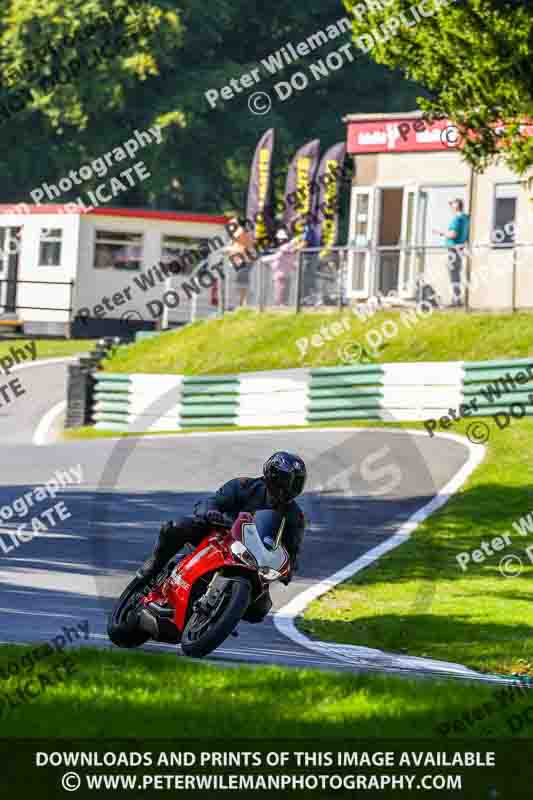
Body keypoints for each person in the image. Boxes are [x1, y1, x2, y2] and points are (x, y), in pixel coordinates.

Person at [138, 452, 308, 621]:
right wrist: (211, 512)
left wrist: (287, 570)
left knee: (260, 609)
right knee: (176, 527)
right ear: (272, 475)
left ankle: (221, 614)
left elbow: (291, 550)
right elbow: (212, 501)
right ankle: (154, 565)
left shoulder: (295, 517)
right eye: (287, 480)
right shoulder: (245, 485)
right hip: (220, 534)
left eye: (296, 483)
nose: (288, 487)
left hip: (253, 560)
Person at [434, 198, 470, 307]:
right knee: (456, 274)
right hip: (460, 248)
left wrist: (441, 233)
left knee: (453, 275)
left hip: (453, 249)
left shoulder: (457, 219)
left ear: (456, 206)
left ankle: (456, 300)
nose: (450, 208)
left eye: (451, 205)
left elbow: (452, 235)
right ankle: (457, 298)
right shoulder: (466, 218)